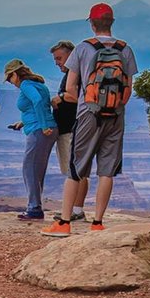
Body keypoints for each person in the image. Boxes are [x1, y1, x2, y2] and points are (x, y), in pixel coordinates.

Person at [42, 3, 138, 237]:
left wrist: (84, 100)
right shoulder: (126, 49)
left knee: (76, 167)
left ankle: (64, 223)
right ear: (112, 22)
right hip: (116, 115)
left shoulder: (84, 49)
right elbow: (128, 89)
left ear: (92, 23)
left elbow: (72, 85)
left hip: (88, 114)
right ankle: (97, 222)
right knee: (107, 170)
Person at [6, 59, 58, 221]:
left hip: (39, 131)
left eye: (9, 78)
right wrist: (22, 122)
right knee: (37, 170)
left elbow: (37, 101)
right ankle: (35, 206)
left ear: (15, 74)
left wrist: (42, 125)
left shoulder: (26, 85)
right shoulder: (38, 84)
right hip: (45, 128)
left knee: (29, 168)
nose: (9, 82)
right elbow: (40, 106)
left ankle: (34, 208)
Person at [49, 40, 88, 221]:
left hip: (70, 130)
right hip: (75, 128)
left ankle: (74, 211)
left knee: (73, 172)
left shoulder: (76, 74)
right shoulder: (76, 72)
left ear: (70, 55)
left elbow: (78, 96)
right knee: (79, 171)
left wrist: (61, 97)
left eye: (59, 58)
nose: (57, 62)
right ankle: (77, 209)